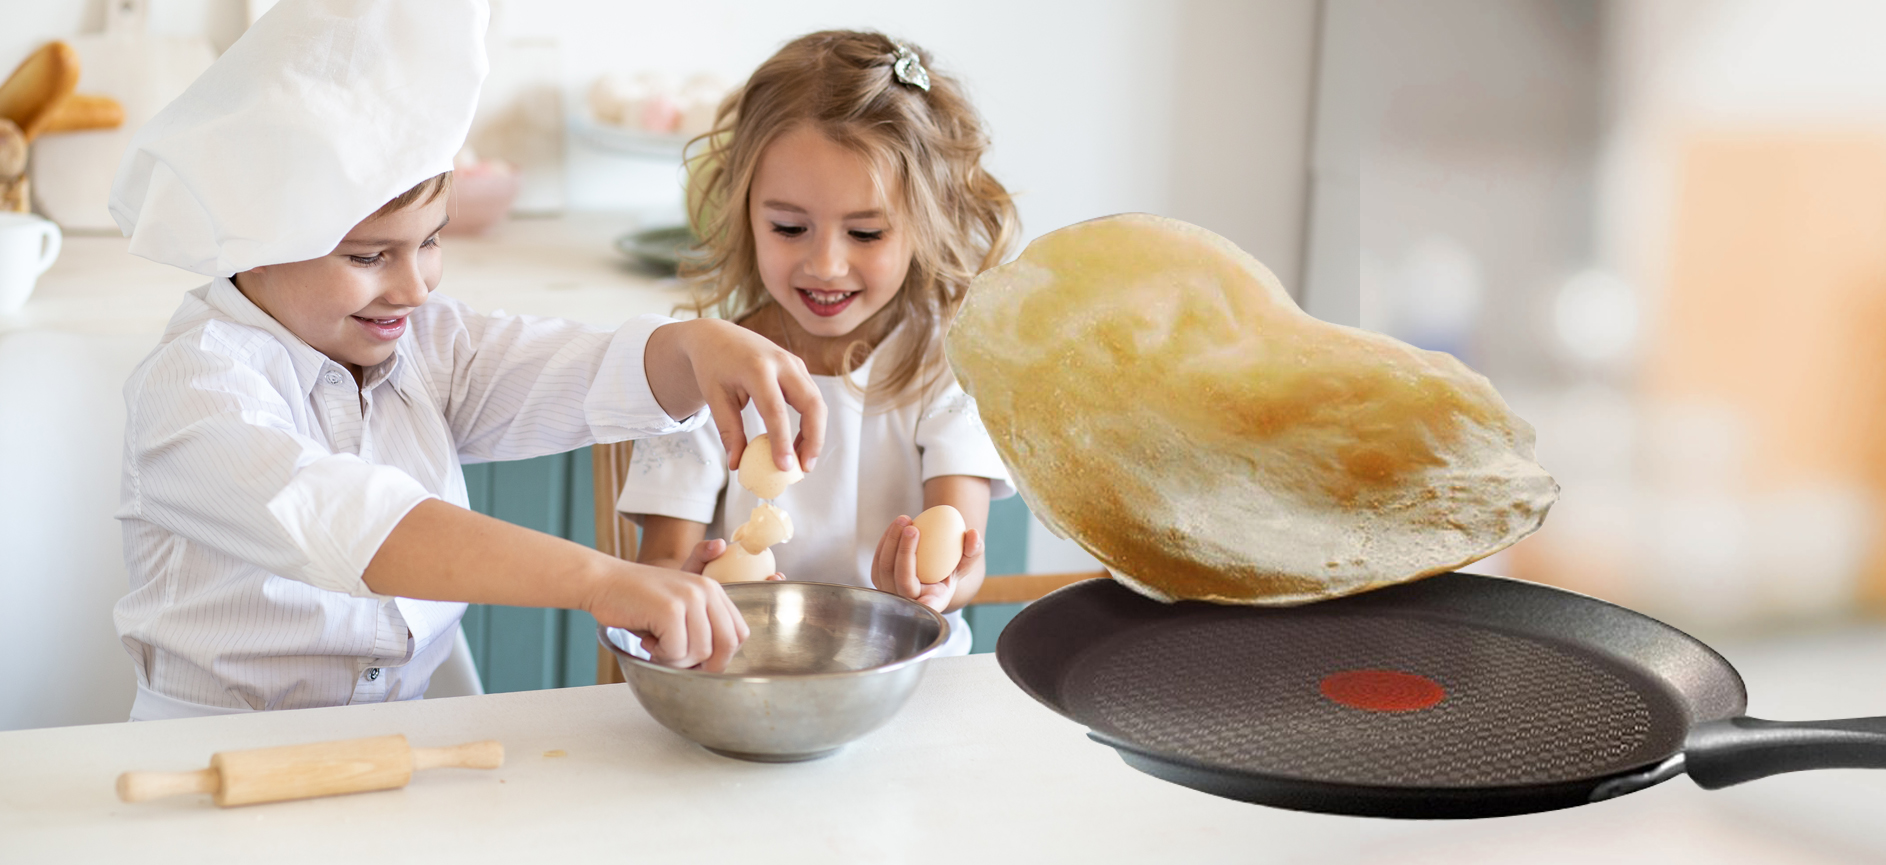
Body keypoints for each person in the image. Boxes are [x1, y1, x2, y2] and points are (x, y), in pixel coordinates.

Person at [110, 0, 824, 721]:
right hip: (213, 752)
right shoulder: (196, 388)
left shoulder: (423, 345)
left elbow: (574, 371)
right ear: (255, 241)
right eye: (368, 256)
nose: (416, 284)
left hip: (393, 747)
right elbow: (356, 523)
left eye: (429, 241)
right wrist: (601, 577)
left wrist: (695, 348)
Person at [616, 31, 1019, 656]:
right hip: (744, 665)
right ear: (744, 210)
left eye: (865, 233)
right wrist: (687, 583)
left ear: (924, 223)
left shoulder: (945, 369)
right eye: (789, 227)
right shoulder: (706, 368)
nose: (826, 265)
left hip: (906, 673)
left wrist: (931, 585)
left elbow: (961, 550)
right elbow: (664, 558)